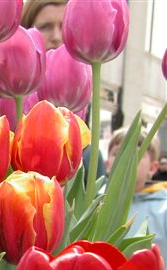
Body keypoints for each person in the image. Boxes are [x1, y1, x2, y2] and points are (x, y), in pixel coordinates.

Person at [22, 0, 106, 181]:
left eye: (65, 25)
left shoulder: (89, 154)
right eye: (45, 27)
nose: (57, 36)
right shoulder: (6, 110)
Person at [107, 128, 167, 270]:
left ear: (153, 168)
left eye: (136, 153)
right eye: (117, 153)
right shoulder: (96, 202)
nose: (124, 159)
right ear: (106, 162)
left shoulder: (163, 209)